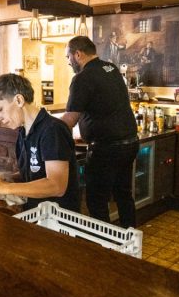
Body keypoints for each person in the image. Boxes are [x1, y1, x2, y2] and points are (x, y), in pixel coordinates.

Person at [60, 36, 139, 228]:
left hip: (106, 149)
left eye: (68, 57)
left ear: (78, 54)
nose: (68, 62)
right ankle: (131, 238)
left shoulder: (82, 78)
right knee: (123, 194)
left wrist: (44, 127)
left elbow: (70, 119)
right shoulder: (111, 68)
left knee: (97, 200)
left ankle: (103, 243)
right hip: (129, 143)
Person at [0, 74, 79, 212]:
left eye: (0, 109)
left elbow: (56, 186)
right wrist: (7, 178)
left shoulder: (52, 129)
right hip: (35, 213)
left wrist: (5, 188)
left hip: (58, 217)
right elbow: (35, 172)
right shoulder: (24, 132)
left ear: (19, 100)